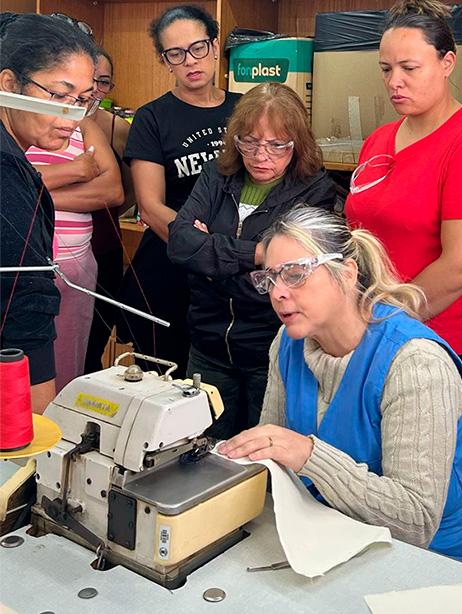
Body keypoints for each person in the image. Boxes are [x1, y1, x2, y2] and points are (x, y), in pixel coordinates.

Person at [219, 207, 462, 565]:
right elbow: (270, 457)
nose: (277, 293)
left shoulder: (416, 363)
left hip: (423, 561)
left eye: (295, 274)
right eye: (270, 278)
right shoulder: (288, 343)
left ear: (346, 273)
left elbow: (416, 522)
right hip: (326, 536)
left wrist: (309, 456)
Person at [344, 0, 462, 421]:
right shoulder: (379, 139)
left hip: (440, 345)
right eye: (386, 69)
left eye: (409, 68)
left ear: (447, 63)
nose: (394, 82)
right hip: (375, 336)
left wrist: (382, 319)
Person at [168, 83, 338, 439]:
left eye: (277, 145)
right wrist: (259, 254)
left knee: (261, 454)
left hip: (271, 351)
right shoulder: (217, 174)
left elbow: (286, 280)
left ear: (297, 144)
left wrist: (210, 263)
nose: (261, 156)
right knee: (200, 448)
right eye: (249, 142)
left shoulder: (315, 190)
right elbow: (180, 244)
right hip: (207, 345)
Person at [117, 5, 241, 376]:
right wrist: (205, 250)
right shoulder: (152, 118)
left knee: (223, 386)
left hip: (235, 272)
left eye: (198, 47)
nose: (190, 60)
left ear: (215, 46)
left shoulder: (246, 109)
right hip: (170, 269)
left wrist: (231, 254)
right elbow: (150, 206)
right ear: (165, 61)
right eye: (175, 53)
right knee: (165, 385)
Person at [0, 12, 99, 412]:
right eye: (59, 96)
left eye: (83, 101)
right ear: (9, 85)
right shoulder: (7, 175)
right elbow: (24, 311)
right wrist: (38, 418)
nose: (72, 116)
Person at [84, 47, 135, 373]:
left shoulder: (118, 128)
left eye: (103, 82)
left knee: (92, 346)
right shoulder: (47, 124)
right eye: (89, 80)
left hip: (104, 251)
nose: (94, 90)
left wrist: (101, 208)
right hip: (55, 254)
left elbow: (127, 192)